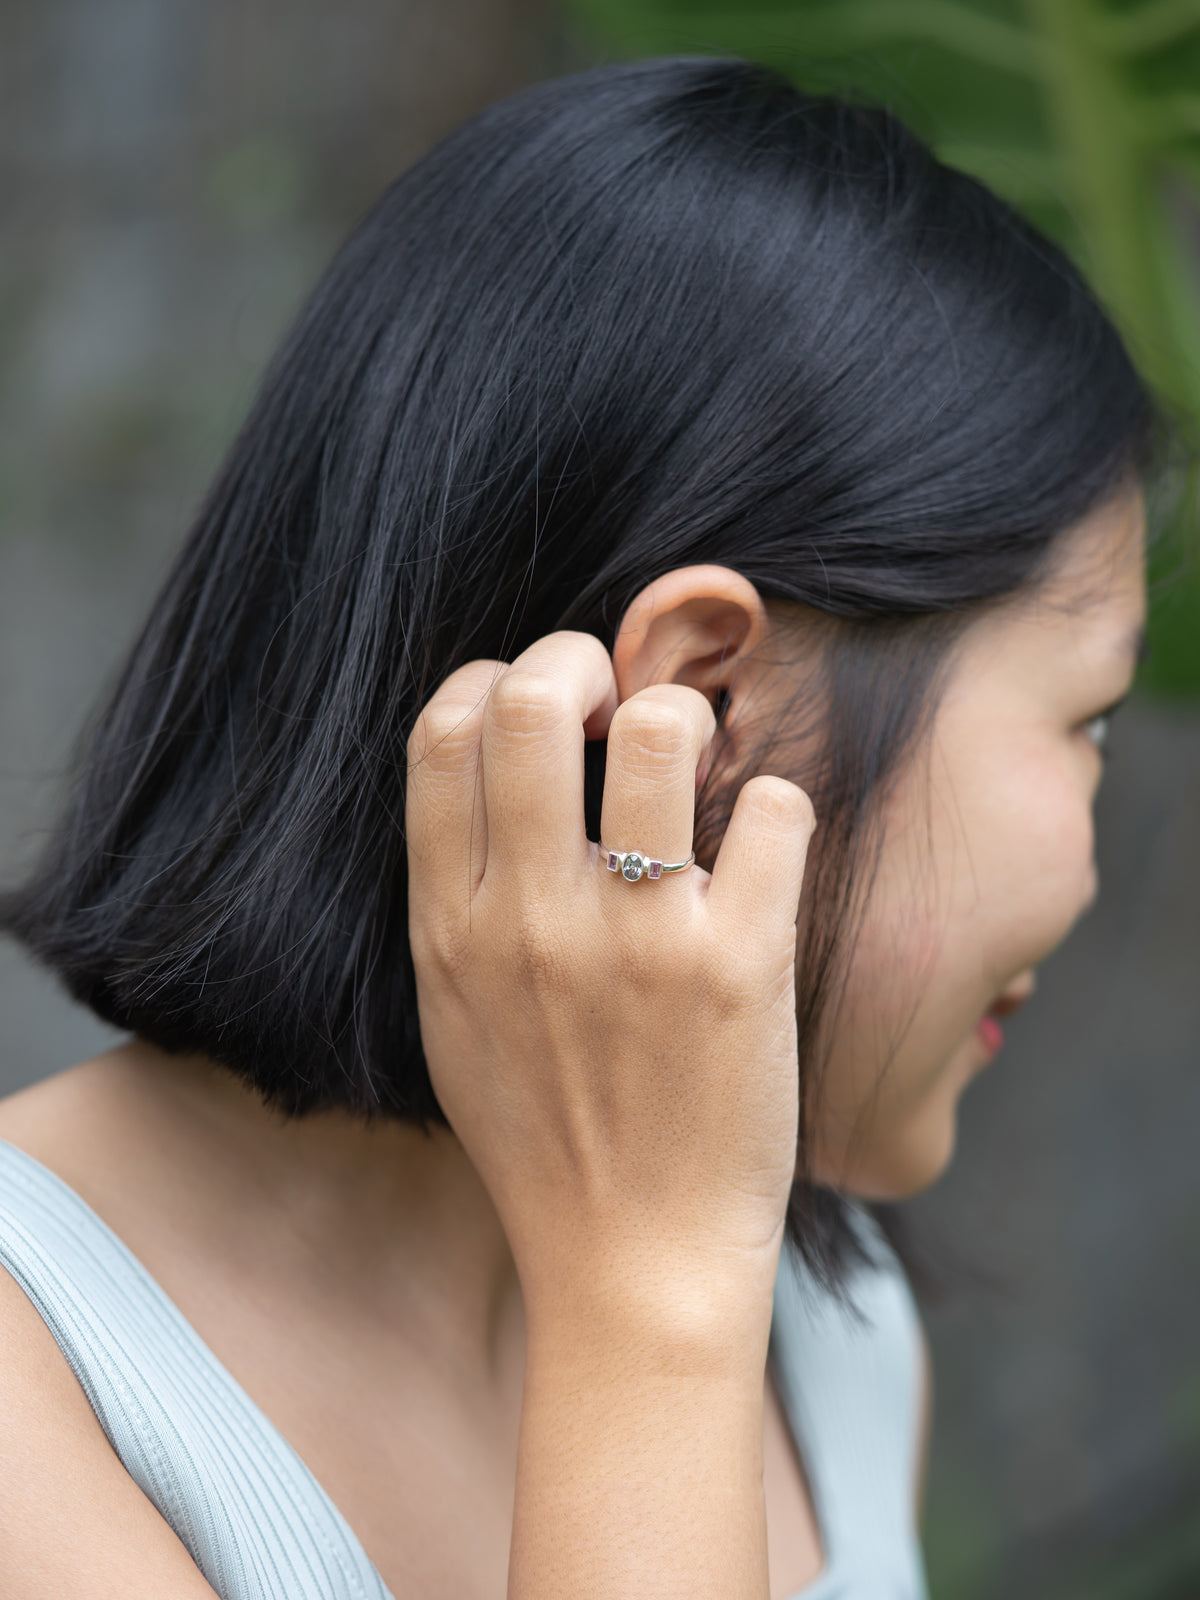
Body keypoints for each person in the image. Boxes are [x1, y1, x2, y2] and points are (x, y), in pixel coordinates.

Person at [0, 55, 1162, 1600]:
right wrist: (649, 1317)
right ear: (697, 704)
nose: (1095, 850)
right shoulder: (36, 1395)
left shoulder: (831, 1328)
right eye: (1081, 721)